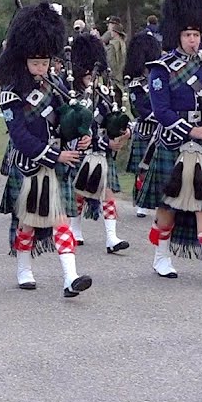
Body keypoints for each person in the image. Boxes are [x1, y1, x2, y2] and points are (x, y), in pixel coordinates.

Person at [137, 0, 202, 289]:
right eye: (187, 35)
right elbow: (161, 111)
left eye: (196, 34)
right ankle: (161, 257)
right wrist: (192, 129)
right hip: (176, 144)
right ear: (176, 35)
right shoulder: (161, 69)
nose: (193, 40)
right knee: (168, 207)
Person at [0, 2, 92, 298]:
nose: (41, 68)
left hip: (57, 165)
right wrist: (55, 155)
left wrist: (81, 136)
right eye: (36, 63)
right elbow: (20, 136)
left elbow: (67, 123)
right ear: (23, 61)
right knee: (27, 224)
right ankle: (24, 268)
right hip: (30, 165)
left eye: (45, 63)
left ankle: (70, 277)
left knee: (61, 220)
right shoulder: (11, 94)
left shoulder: (58, 87)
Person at [68, 33, 131, 254]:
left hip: (101, 153)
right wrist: (104, 142)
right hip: (80, 150)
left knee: (108, 192)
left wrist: (122, 132)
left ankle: (111, 237)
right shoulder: (70, 94)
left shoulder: (104, 93)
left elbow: (112, 120)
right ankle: (75, 229)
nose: (89, 76)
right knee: (78, 192)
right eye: (85, 72)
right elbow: (71, 128)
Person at [123, 31, 162, 218]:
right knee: (143, 169)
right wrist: (160, 115)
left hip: (161, 131)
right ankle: (140, 202)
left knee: (158, 168)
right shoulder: (135, 84)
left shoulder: (159, 79)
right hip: (146, 130)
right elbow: (139, 108)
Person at [101, 16, 127, 90]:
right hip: (121, 78)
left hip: (114, 81)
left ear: (115, 32)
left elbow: (110, 62)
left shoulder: (112, 45)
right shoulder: (122, 43)